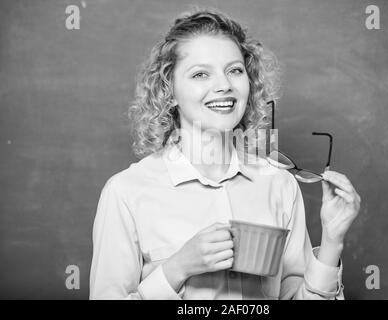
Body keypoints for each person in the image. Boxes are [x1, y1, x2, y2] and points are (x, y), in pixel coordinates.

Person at [89, 9, 361, 300]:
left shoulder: (278, 184)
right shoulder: (126, 192)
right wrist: (176, 270)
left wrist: (332, 241)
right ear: (169, 89)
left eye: (234, 70)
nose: (224, 86)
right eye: (200, 74)